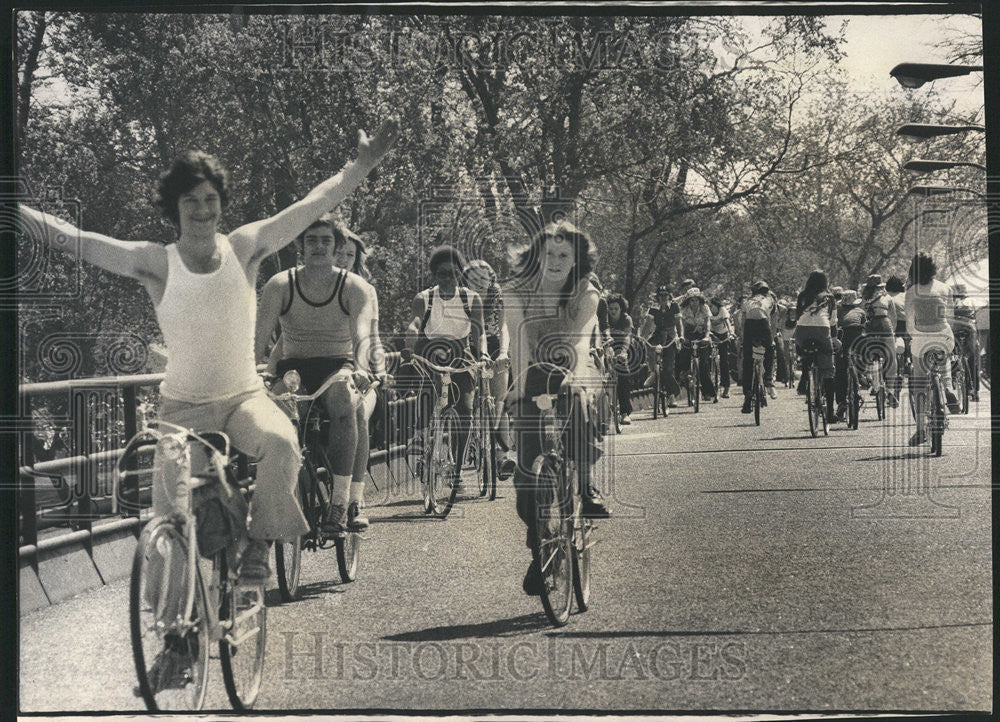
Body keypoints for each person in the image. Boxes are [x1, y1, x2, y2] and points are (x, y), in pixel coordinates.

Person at [19, 121, 398, 587]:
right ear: (174, 208)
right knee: (170, 523)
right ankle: (175, 635)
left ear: (221, 203)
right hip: (181, 409)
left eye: (210, 199)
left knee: (282, 445)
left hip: (244, 399)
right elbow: (77, 241)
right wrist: (16, 212)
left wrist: (361, 165)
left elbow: (311, 206)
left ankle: (259, 545)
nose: (202, 209)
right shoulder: (157, 262)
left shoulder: (244, 246)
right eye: (191, 200)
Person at [255, 216, 382, 534]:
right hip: (294, 367)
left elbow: (362, 334)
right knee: (277, 408)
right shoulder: (280, 285)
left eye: (326, 240)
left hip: (336, 366)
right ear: (300, 246)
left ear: (337, 246)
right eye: (311, 240)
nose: (319, 246)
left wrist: (364, 369)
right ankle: (282, 490)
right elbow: (256, 342)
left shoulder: (354, 287)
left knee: (343, 398)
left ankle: (340, 502)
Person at [503, 220, 610, 595]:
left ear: (577, 260)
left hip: (576, 364)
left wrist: (576, 377)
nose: (556, 260)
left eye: (565, 255)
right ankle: (541, 551)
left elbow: (581, 341)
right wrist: (517, 390)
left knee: (578, 398)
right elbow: (517, 341)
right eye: (550, 253)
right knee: (527, 486)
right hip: (532, 368)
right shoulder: (517, 289)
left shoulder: (586, 290)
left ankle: (587, 484)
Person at [400, 245, 487, 491]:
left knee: (465, 409)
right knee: (429, 388)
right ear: (434, 276)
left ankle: (457, 469)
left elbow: (479, 333)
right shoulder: (424, 298)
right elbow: (415, 324)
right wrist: (410, 340)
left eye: (453, 273)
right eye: (442, 274)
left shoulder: (471, 299)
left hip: (462, 352)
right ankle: (420, 435)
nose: (448, 278)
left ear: (460, 274)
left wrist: (484, 355)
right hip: (430, 349)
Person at [463, 258, 517, 478]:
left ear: (491, 279)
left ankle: (502, 455)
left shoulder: (496, 294)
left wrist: (504, 352)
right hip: (467, 344)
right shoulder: (460, 296)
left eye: (484, 278)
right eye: (474, 278)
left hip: (493, 344)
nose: (479, 282)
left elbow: (503, 326)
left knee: (497, 398)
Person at [905, 253, 959, 446]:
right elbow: (951, 317)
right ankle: (947, 386)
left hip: (921, 337)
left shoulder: (911, 292)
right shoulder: (945, 288)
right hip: (944, 334)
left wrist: (916, 337)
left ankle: (920, 429)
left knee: (920, 382)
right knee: (943, 357)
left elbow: (909, 322)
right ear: (934, 268)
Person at [794, 270, 837, 421]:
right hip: (822, 330)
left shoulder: (802, 296)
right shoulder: (830, 297)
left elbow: (797, 315)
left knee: (803, 349)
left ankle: (805, 374)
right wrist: (834, 338)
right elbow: (833, 322)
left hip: (801, 332)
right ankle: (831, 412)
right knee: (828, 370)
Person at [638, 284, 683, 412]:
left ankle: (672, 394)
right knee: (650, 347)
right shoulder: (653, 308)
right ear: (657, 297)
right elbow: (647, 325)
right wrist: (642, 338)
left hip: (670, 337)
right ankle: (653, 372)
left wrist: (681, 336)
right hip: (658, 335)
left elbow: (679, 323)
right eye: (660, 296)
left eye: (665, 295)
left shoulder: (674, 306)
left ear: (669, 296)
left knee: (668, 369)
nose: (663, 298)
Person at [861, 273, 899, 408]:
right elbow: (893, 317)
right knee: (891, 357)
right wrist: (892, 332)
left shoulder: (863, 299)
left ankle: (872, 382)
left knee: (868, 354)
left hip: (870, 327)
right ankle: (890, 390)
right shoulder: (887, 297)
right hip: (885, 325)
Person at [739, 280, 778, 413]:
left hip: (749, 325)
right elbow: (773, 320)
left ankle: (747, 396)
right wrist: (771, 339)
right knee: (770, 350)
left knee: (748, 361)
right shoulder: (770, 299)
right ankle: (768, 380)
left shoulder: (747, 301)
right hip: (763, 323)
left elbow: (742, 321)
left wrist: (743, 339)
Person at [677, 287, 717, 403]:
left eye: (696, 300)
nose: (694, 303)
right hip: (688, 334)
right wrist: (682, 336)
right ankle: (684, 377)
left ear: (700, 300)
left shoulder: (704, 308)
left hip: (702, 334)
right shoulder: (684, 309)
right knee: (683, 356)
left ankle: (707, 392)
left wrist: (707, 336)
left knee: (704, 364)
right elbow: (682, 324)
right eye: (691, 300)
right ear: (688, 301)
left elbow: (708, 322)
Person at [833, 290, 867, 421]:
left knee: (840, 371)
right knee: (861, 355)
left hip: (842, 339)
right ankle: (861, 375)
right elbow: (865, 326)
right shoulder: (861, 312)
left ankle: (842, 402)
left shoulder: (837, 310)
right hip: (858, 339)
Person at [607, 293, 636, 424]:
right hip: (606, 347)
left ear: (621, 309)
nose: (613, 311)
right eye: (610, 308)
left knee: (624, 374)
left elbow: (627, 337)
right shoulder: (604, 318)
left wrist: (623, 352)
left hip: (622, 347)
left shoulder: (626, 319)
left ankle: (625, 412)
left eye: (616, 309)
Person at [950, 283, 980, 402]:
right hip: (969, 329)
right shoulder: (971, 302)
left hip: (954, 329)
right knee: (973, 358)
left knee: (952, 354)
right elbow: (975, 318)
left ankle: (954, 375)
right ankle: (975, 391)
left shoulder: (950, 303)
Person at [885, 274, 908, 402]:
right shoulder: (906, 296)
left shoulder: (887, 298)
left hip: (892, 324)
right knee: (905, 346)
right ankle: (905, 363)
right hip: (906, 325)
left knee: (890, 352)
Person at [708, 296, 733, 399]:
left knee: (724, 361)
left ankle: (726, 387)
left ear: (717, 306)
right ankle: (708, 389)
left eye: (712, 306)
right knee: (707, 359)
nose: (710, 308)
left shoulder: (723, 310)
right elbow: (707, 323)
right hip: (712, 334)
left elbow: (727, 322)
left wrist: (731, 333)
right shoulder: (707, 311)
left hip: (723, 335)